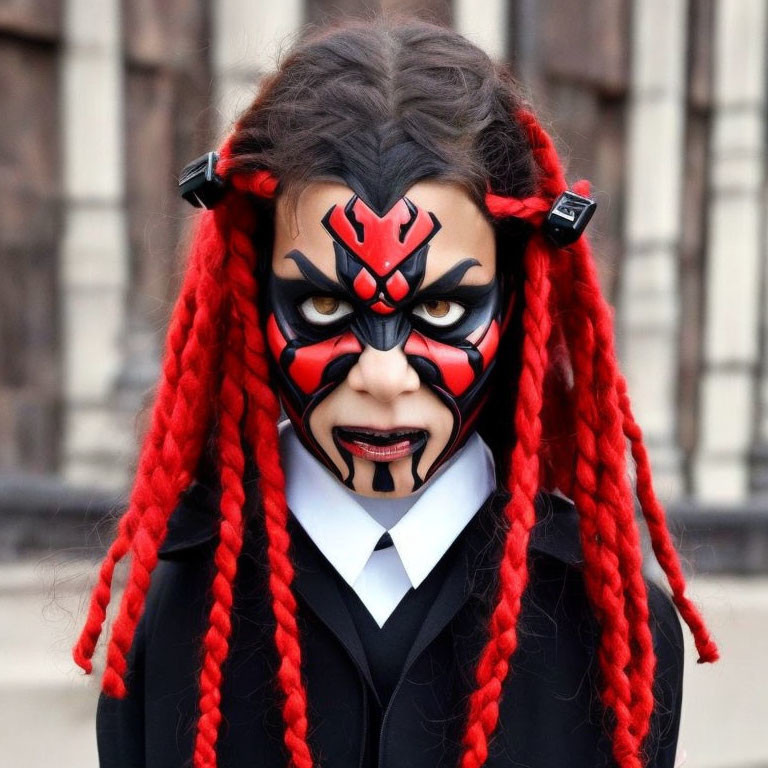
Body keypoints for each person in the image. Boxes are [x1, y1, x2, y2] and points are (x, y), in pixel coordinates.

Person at [74, 16, 717, 768]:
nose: (383, 377)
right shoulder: (174, 606)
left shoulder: (616, 632)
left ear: (516, 300)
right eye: (322, 307)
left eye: (442, 309)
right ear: (251, 294)